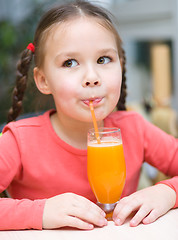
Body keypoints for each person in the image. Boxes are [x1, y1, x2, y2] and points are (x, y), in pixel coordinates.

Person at [0, 0, 177, 231]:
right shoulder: (19, 142)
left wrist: (167, 193)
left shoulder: (135, 129)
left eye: (104, 60)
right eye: (70, 62)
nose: (92, 77)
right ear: (43, 80)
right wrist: (41, 212)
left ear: (121, 65)